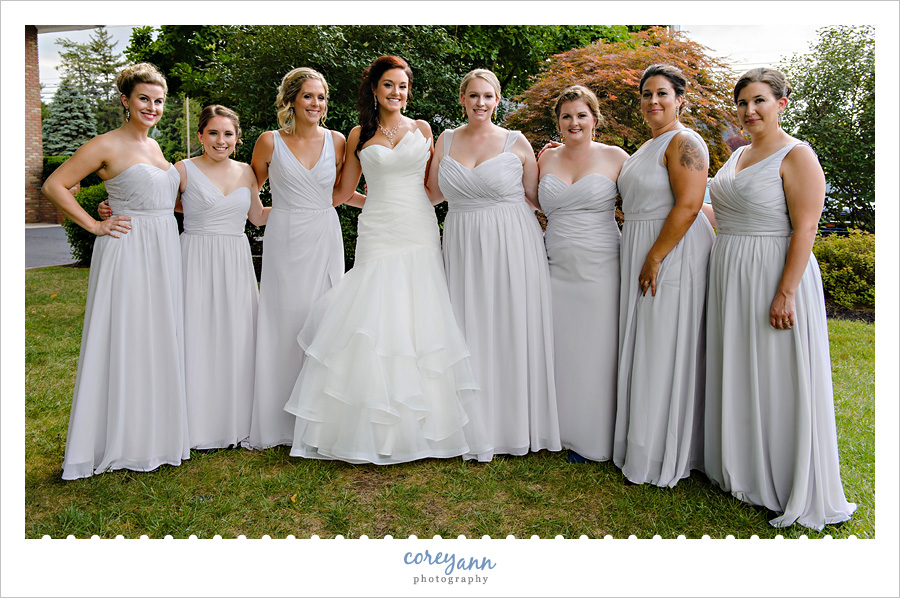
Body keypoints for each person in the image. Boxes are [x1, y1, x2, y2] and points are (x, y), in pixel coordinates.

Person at [283, 56, 487, 464]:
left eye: (403, 86)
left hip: (419, 228)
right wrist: (293, 203)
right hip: (378, 229)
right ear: (375, 89)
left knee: (418, 315)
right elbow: (342, 193)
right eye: (389, 85)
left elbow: (434, 186)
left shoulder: (423, 130)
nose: (397, 93)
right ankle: (368, 426)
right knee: (374, 314)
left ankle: (419, 427)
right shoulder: (360, 133)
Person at [704, 68, 857, 529]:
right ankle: (744, 468)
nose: (749, 111)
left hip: (774, 271)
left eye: (759, 101)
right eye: (743, 103)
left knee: (775, 372)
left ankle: (783, 476)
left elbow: (806, 226)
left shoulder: (797, 154)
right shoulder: (738, 155)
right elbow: (719, 210)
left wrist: (786, 292)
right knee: (740, 365)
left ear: (782, 103)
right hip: (731, 270)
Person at [42, 63, 190, 479]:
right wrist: (94, 223)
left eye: (159, 101)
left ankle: (152, 434)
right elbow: (55, 185)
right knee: (127, 334)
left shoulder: (157, 150)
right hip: (126, 251)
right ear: (126, 100)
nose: (153, 107)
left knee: (156, 334)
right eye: (144, 98)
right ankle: (117, 438)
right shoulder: (105, 144)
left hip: (163, 249)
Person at [427, 68, 560, 461]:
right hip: (463, 239)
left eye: (488, 96)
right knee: (467, 324)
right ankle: (471, 423)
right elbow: (432, 193)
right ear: (463, 99)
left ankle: (513, 424)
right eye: (473, 96)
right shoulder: (445, 140)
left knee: (509, 323)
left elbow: (537, 197)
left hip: (512, 241)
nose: (480, 103)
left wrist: (565, 160)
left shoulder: (517, 143)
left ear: (497, 100)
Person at [247, 67, 362, 449]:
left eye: (322, 97)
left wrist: (387, 204)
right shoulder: (268, 142)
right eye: (309, 96)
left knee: (327, 316)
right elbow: (247, 188)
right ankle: (278, 419)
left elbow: (342, 192)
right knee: (285, 318)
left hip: (324, 234)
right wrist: (262, 214)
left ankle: (323, 418)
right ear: (292, 100)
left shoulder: (338, 141)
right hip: (284, 237)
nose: (317, 104)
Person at [613, 64, 715, 487]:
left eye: (662, 93)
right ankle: (642, 442)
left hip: (671, 250)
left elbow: (690, 205)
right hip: (641, 242)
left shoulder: (684, 141)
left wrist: (655, 257)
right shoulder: (646, 146)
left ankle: (663, 452)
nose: (653, 101)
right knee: (645, 344)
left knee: (662, 343)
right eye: (646, 94)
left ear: (679, 100)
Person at [537, 85, 628, 463]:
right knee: (562, 347)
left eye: (581, 115)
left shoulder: (617, 157)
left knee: (597, 348)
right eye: (566, 116)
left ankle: (595, 437)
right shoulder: (545, 160)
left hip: (601, 264)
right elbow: (524, 201)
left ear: (595, 119)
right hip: (555, 264)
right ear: (558, 122)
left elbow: (651, 199)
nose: (574, 122)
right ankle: (559, 429)